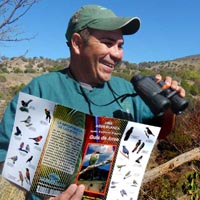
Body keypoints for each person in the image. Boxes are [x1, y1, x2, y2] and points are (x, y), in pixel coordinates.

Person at [0, 4, 185, 200]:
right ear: (78, 43)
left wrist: (169, 108)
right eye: (108, 42)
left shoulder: (128, 90)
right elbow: (6, 157)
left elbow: (161, 132)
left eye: (120, 45)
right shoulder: (42, 89)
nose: (117, 54)